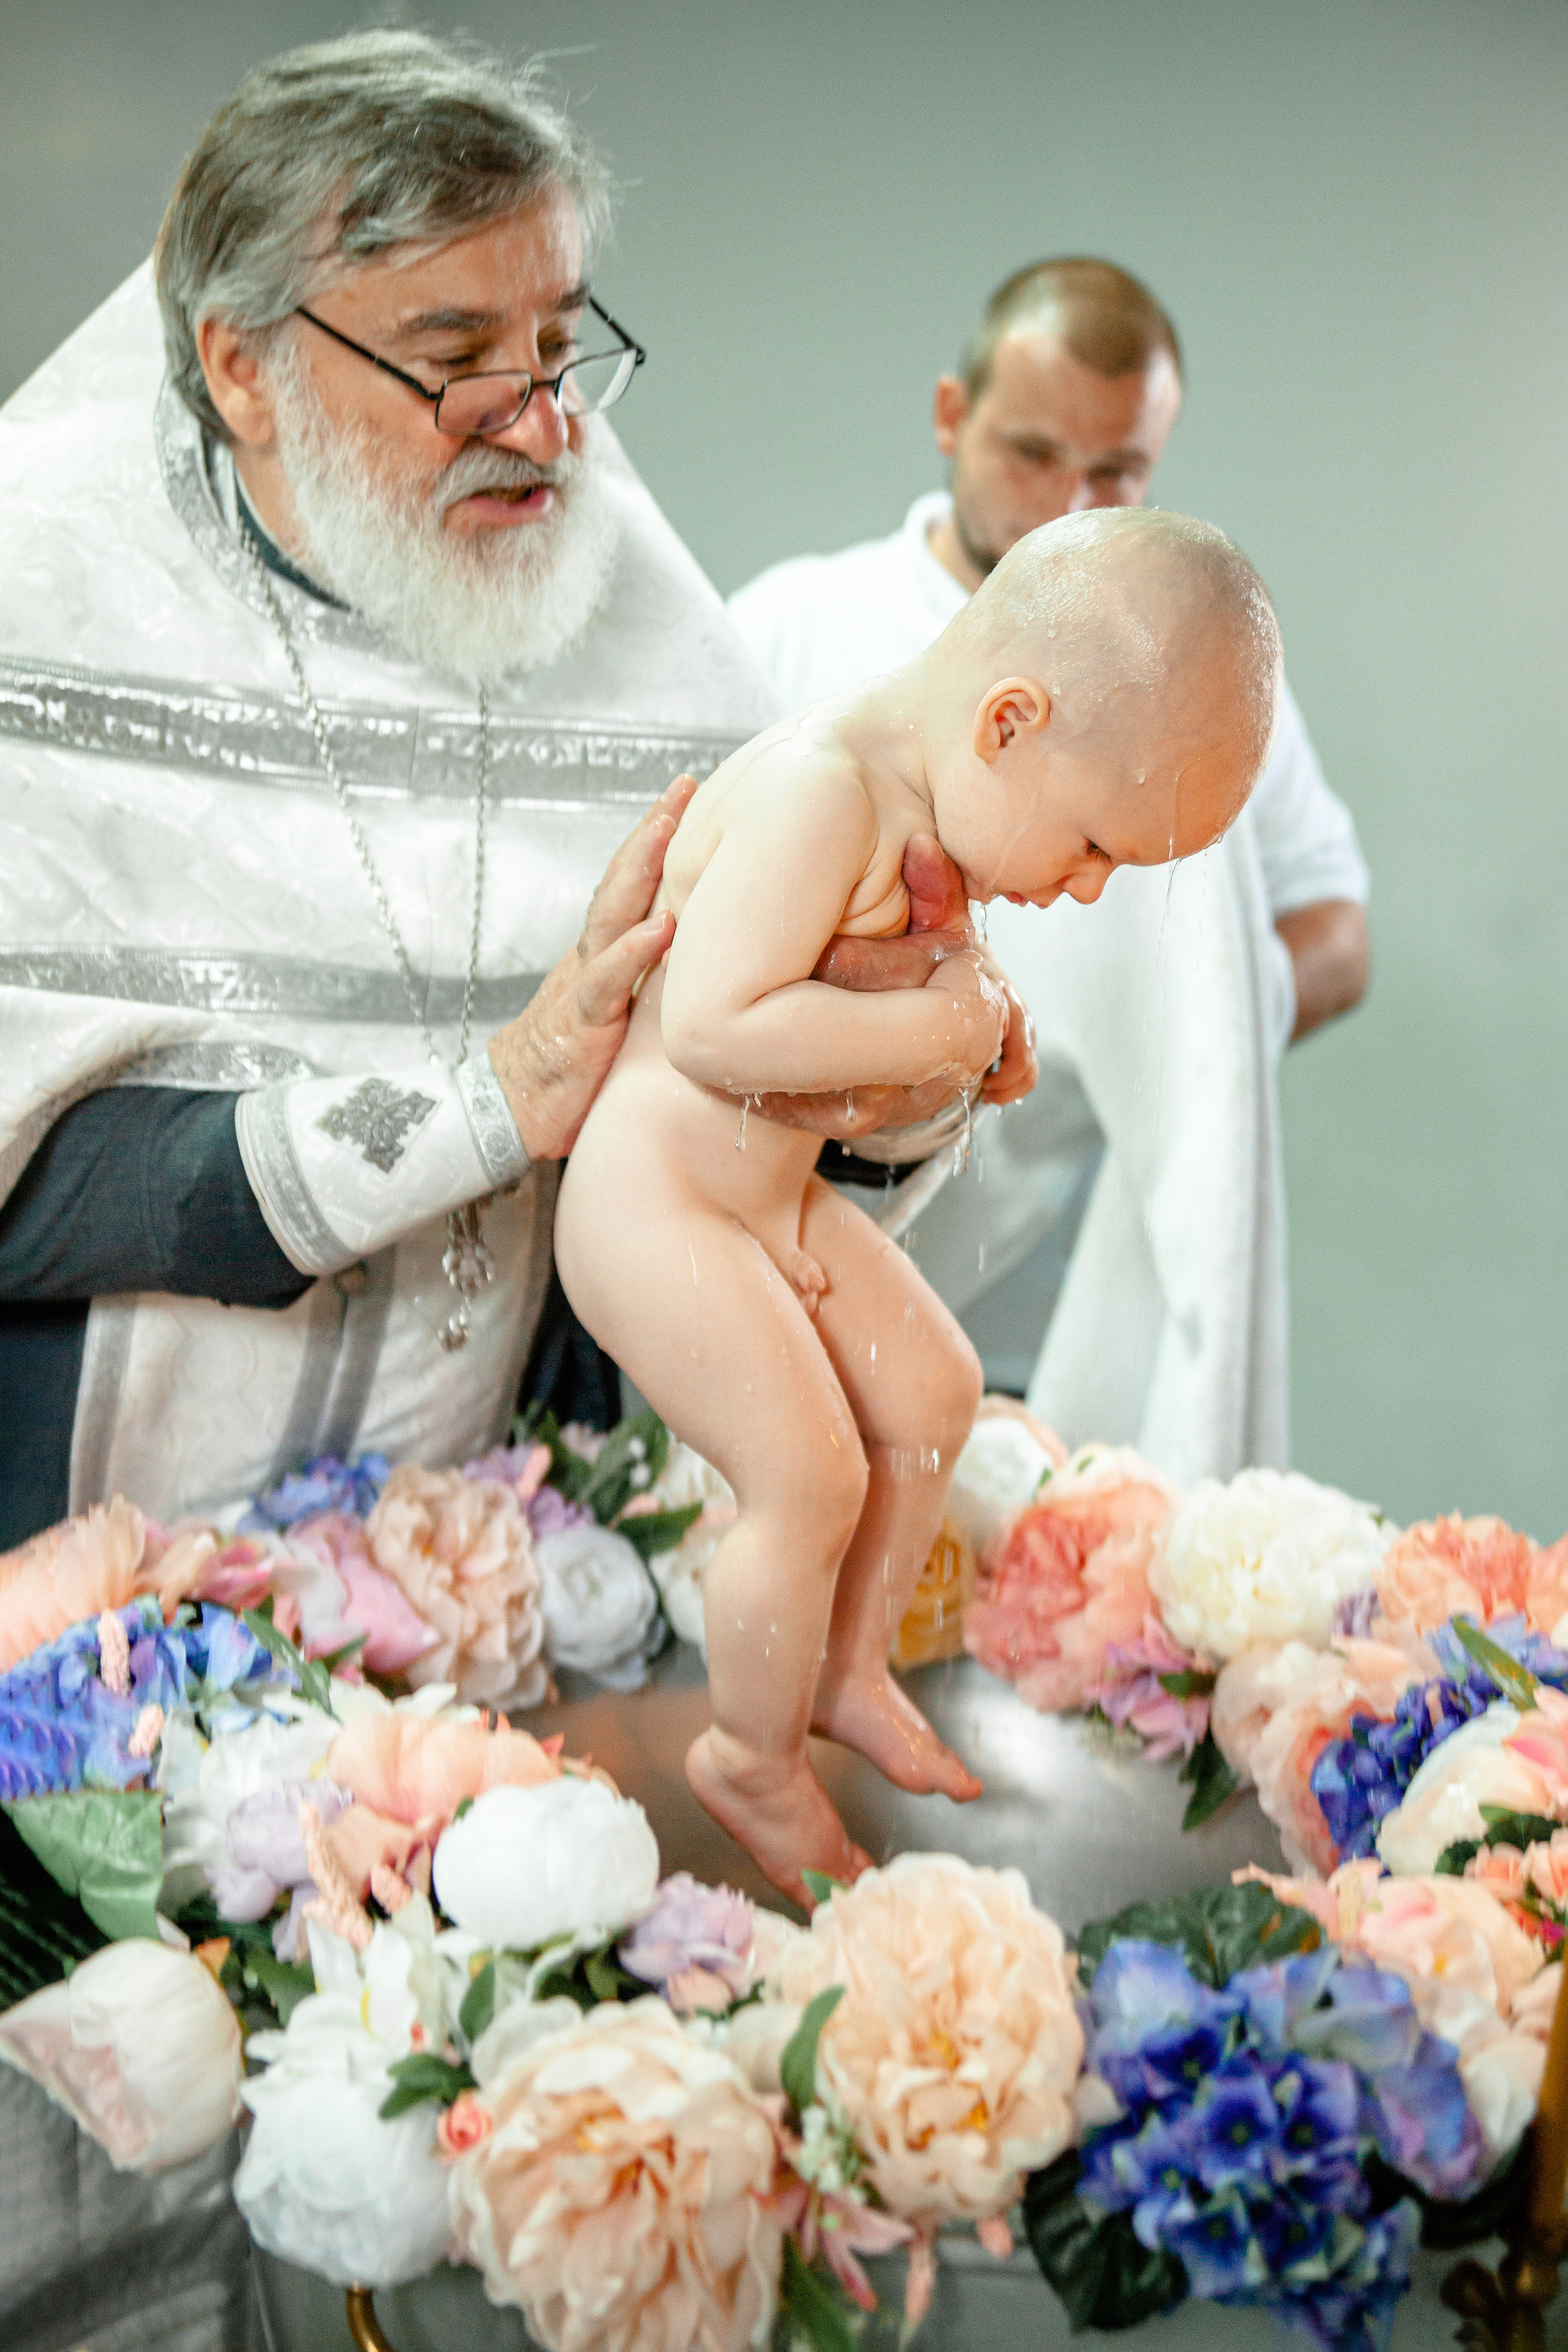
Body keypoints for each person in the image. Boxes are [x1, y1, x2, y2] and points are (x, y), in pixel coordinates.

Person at [0, 31, 1009, 1547]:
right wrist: (486, 1101)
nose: (540, 427)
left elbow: (710, 1142)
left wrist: (885, 1072)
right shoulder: (38, 605)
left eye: (553, 347)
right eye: (454, 359)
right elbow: (34, 1191)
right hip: (78, 1597)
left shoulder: (654, 650)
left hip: (495, 1557)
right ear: (238, 366)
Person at [557, 507, 1281, 1897]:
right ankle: (746, 1759)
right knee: (808, 1473)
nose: (1078, 890)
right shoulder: (821, 790)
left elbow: (867, 1042)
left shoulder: (927, 806)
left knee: (938, 1394)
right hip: (652, 1205)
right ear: (1008, 721)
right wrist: (934, 1036)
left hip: (756, 1198)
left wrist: (968, 1039)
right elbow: (712, 1028)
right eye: (1090, 847)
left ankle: (841, 1668)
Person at [729, 258, 1371, 1480]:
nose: (1070, 503)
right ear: (947, 417)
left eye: (1118, 471)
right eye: (1031, 454)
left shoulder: (1200, 691)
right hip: (801, 1265)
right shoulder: (791, 632)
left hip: (1049, 1310)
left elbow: (1334, 930)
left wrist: (1168, 1031)